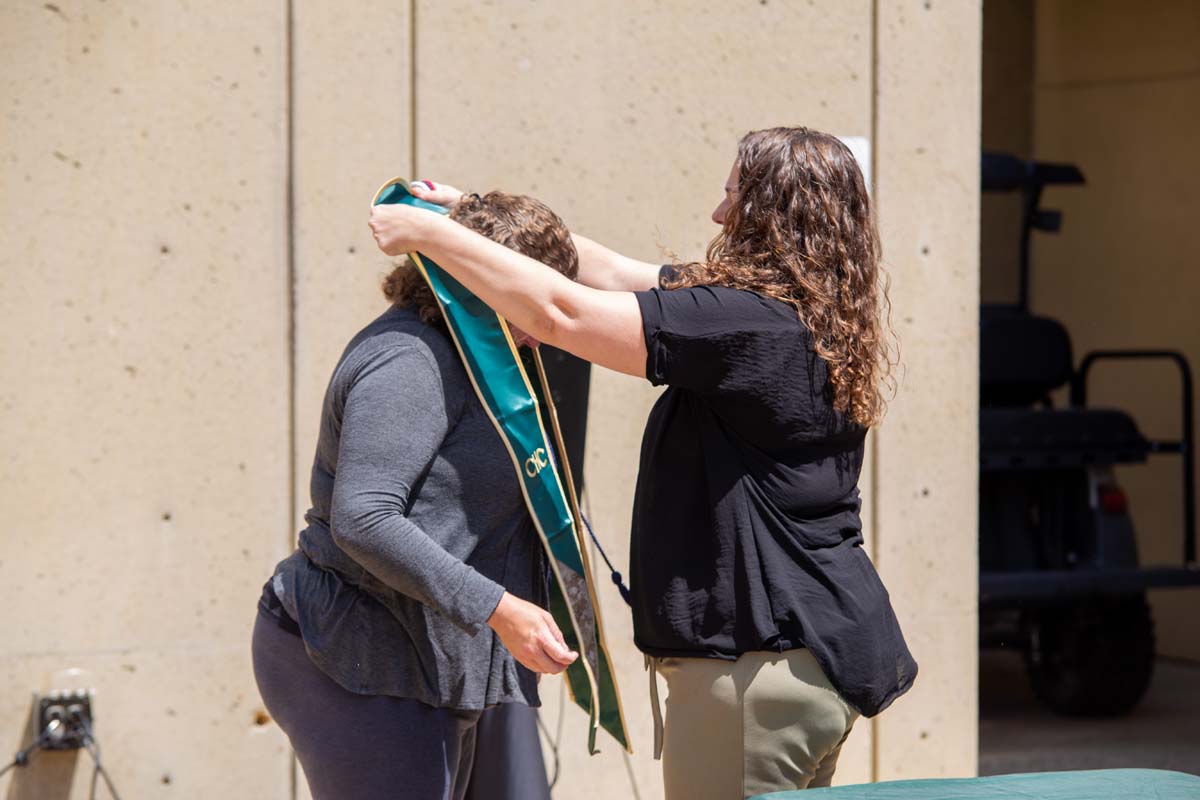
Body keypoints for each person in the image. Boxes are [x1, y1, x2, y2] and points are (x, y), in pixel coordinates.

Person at [368, 126, 918, 798]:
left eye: (733, 195)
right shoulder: (800, 312)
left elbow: (562, 314)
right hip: (809, 660)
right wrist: (464, 207)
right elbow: (611, 272)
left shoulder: (746, 324)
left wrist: (430, 238)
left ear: (774, 212)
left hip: (752, 673)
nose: (719, 214)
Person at [252, 191, 582, 800]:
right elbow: (364, 517)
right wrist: (500, 609)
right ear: (475, 283)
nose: (550, 321)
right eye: (533, 297)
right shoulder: (409, 359)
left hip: (424, 656)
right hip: (358, 653)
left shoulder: (477, 355)